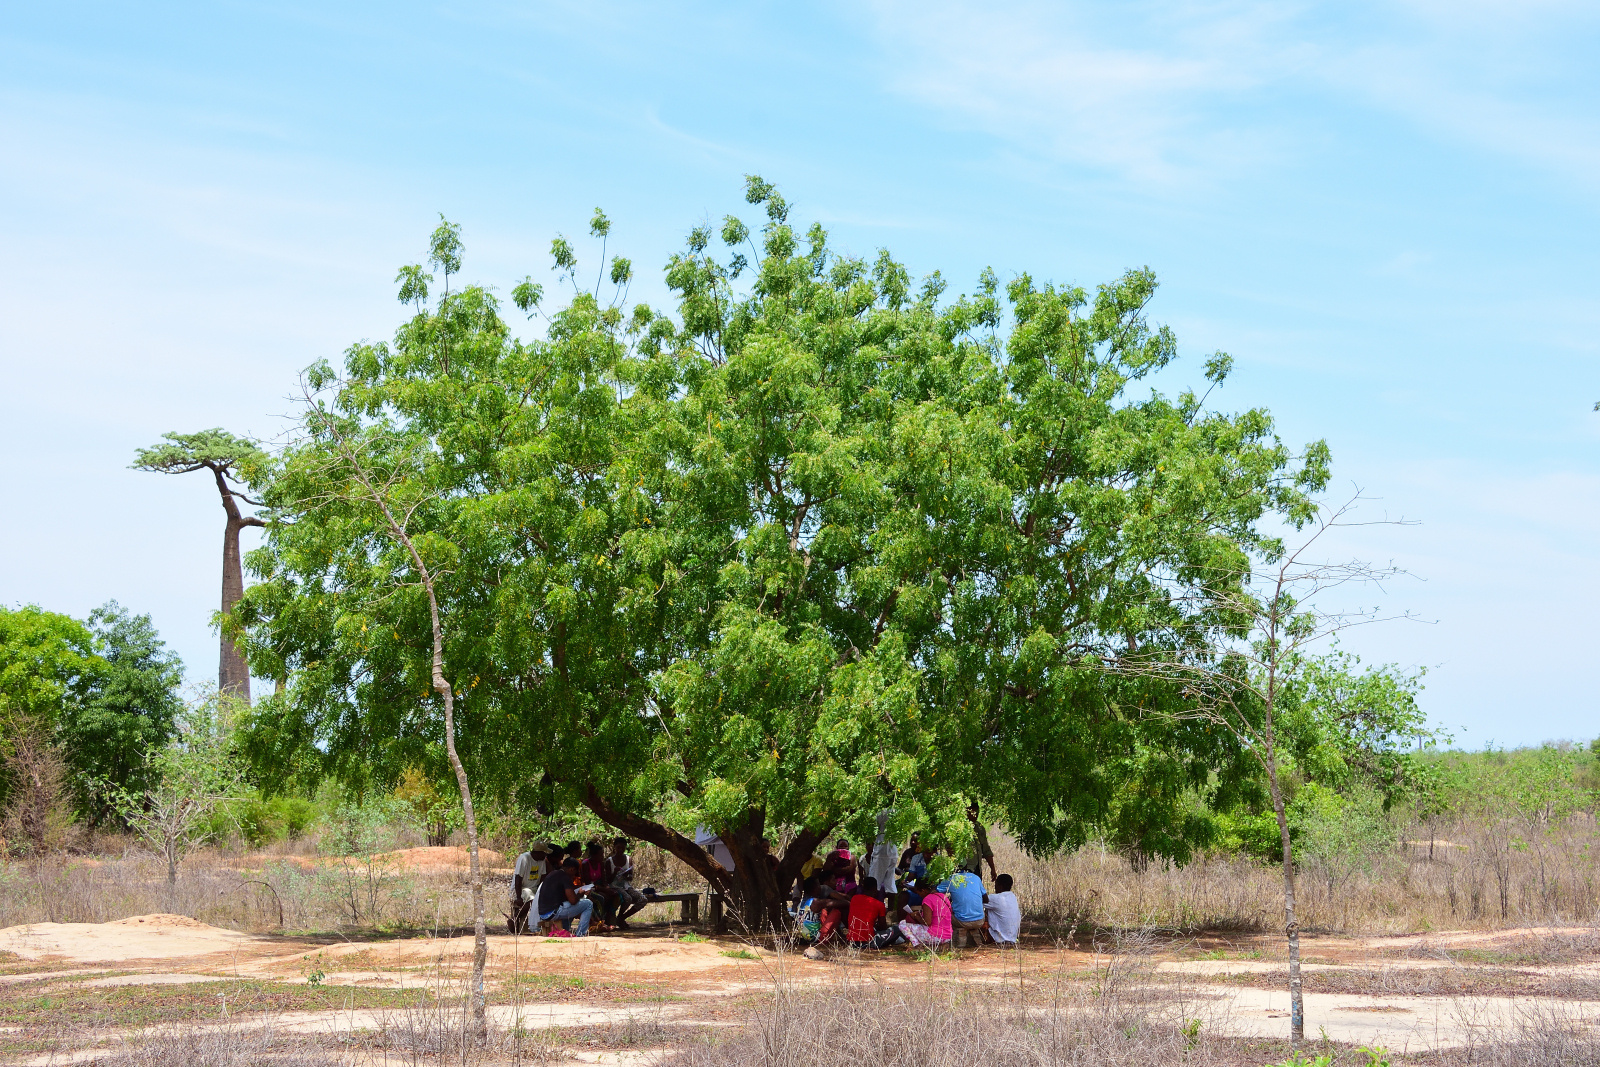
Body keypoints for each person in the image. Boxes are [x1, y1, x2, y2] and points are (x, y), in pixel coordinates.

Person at [537, 856, 595, 936]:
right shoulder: (565, 877)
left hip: (543, 913)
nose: (574, 875)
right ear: (571, 869)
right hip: (553, 912)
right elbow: (573, 900)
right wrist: (580, 894)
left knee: (571, 906)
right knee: (588, 904)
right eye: (575, 872)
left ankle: (565, 929)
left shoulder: (553, 874)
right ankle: (580, 934)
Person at [846, 876, 905, 949]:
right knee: (898, 928)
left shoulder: (854, 899)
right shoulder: (879, 904)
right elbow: (883, 926)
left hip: (852, 942)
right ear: (875, 888)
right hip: (869, 942)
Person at [508, 840, 550, 933]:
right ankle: (515, 918)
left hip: (534, 889)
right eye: (544, 853)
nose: (545, 856)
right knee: (533, 900)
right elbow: (518, 878)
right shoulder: (524, 858)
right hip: (521, 888)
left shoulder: (542, 860)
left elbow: (543, 877)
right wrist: (518, 897)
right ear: (538, 853)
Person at [897, 878, 951, 949]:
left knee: (902, 924)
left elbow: (927, 922)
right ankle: (942, 945)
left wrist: (916, 916)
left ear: (923, 890)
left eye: (918, 892)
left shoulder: (927, 899)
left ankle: (917, 945)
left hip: (936, 935)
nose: (919, 895)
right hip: (947, 936)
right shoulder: (943, 897)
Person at [940, 868, 987, 949]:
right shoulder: (976, 877)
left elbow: (937, 892)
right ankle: (974, 935)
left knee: (945, 913)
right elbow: (986, 899)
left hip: (961, 920)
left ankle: (954, 939)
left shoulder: (951, 878)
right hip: (980, 920)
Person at [608, 836, 648, 928]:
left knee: (643, 899)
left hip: (626, 885)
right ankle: (619, 918)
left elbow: (630, 877)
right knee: (628, 898)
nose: (620, 850)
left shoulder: (628, 859)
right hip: (614, 886)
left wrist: (627, 875)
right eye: (618, 847)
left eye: (623, 848)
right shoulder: (609, 861)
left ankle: (621, 917)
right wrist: (615, 872)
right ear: (614, 847)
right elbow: (608, 880)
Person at [581, 841, 618, 924]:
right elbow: (588, 883)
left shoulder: (600, 864)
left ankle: (610, 917)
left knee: (616, 895)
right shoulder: (586, 864)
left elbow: (603, 879)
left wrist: (607, 887)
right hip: (589, 888)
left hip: (599, 886)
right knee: (601, 898)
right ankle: (599, 921)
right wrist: (604, 890)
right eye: (600, 854)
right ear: (593, 855)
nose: (602, 856)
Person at [984, 873, 1021, 945]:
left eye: (996, 885)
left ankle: (987, 939)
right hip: (1012, 938)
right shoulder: (1013, 896)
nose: (995, 888)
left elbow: (976, 902)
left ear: (1000, 886)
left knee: (979, 913)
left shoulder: (996, 898)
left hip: (998, 938)